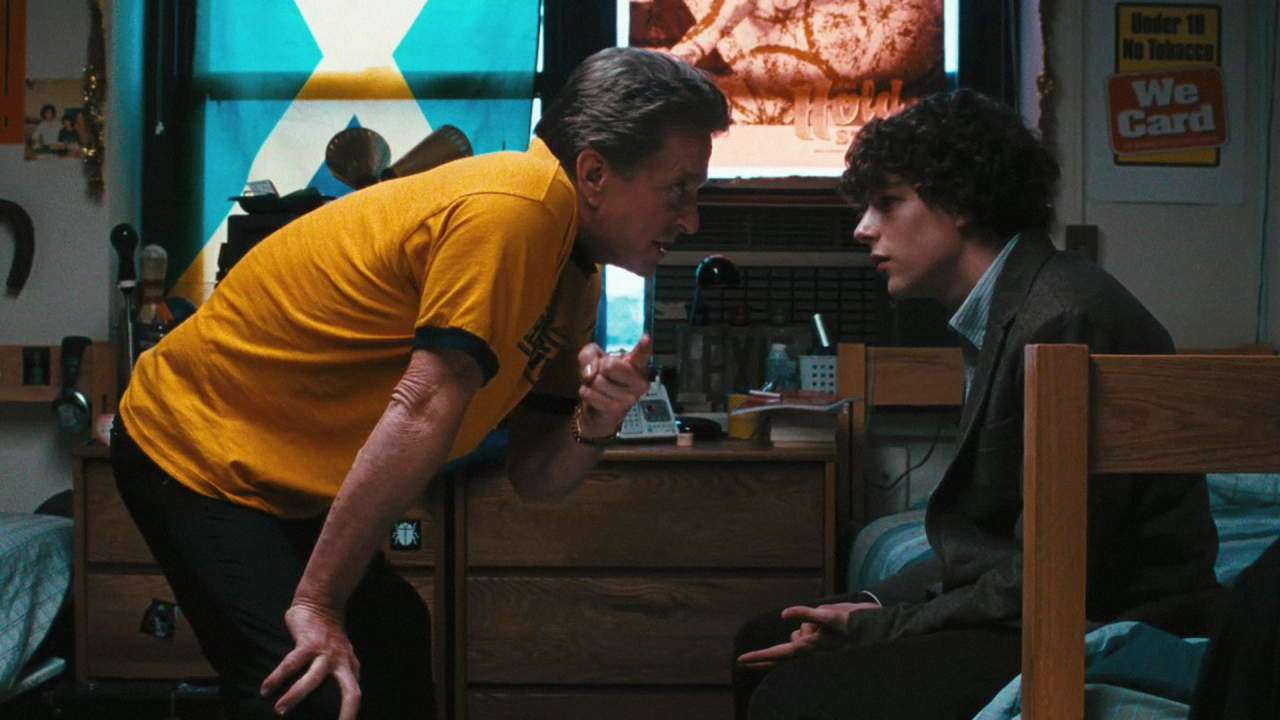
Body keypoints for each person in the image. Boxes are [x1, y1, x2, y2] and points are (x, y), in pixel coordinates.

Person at [112, 46, 730, 720]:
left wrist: (596, 423)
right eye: (679, 191)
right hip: (191, 443)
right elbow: (423, 405)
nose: (691, 220)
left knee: (395, 644)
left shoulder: (573, 274)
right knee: (309, 690)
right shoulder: (516, 209)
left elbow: (535, 475)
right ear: (593, 173)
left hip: (276, 468)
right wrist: (316, 603)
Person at [731, 88, 1222, 719]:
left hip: (1097, 618)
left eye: (888, 203)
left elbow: (1058, 568)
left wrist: (883, 626)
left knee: (792, 694)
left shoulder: (1064, 317)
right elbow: (988, 547)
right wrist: (874, 604)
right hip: (1030, 597)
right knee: (761, 639)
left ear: (960, 201)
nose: (863, 229)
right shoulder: (1009, 309)